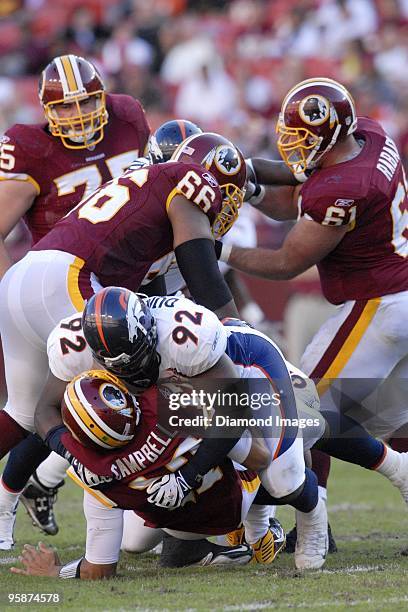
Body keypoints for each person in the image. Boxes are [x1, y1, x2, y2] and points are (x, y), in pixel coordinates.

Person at [0, 132, 245, 548]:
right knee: (123, 389)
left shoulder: (143, 180)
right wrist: (237, 330)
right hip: (70, 279)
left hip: (24, 275)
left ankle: (5, 519)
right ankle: (137, 529)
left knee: (23, 413)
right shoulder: (187, 182)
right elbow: (203, 277)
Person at [215, 76, 408, 550]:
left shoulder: (346, 187)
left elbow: (287, 261)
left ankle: (313, 525)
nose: (292, 147)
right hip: (397, 296)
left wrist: (219, 250)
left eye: (302, 138)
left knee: (301, 411)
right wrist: (251, 184)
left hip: (379, 306)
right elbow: (303, 192)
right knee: (393, 420)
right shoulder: (369, 136)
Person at [30, 288, 327, 570]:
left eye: (135, 363)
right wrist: (71, 455)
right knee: (134, 539)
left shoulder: (185, 341)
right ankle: (252, 517)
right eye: (115, 370)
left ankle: (311, 517)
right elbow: (44, 410)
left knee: (281, 478)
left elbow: (232, 416)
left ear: (149, 334)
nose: (131, 377)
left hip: (243, 370)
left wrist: (187, 476)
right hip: (181, 395)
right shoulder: (73, 347)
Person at [0, 53, 151, 539]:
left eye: (87, 101)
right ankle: (120, 520)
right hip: (63, 284)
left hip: (126, 283)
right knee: (111, 390)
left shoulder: (128, 117)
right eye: (64, 107)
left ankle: (30, 489)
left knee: (36, 408)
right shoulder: (28, 147)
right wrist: (10, 287)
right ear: (46, 110)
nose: (78, 114)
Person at [11, 369, 285, 579]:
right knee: (257, 444)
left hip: (186, 520)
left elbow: (99, 570)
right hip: (233, 495)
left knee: (131, 542)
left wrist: (55, 572)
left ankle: (257, 526)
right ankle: (263, 518)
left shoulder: (95, 475)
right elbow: (255, 451)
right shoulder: (164, 401)